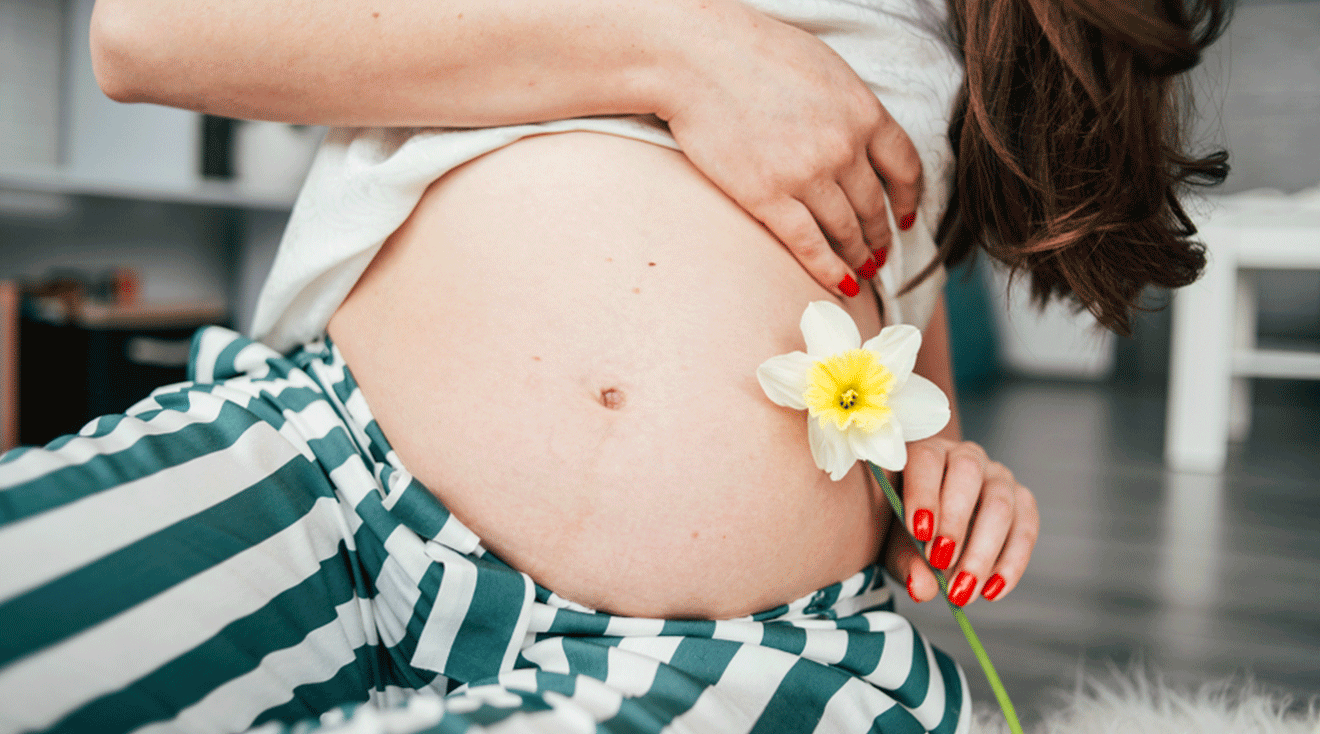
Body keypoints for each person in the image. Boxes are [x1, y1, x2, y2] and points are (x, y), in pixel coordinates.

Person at [0, 0, 1227, 732]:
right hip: (326, 473)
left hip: (754, 639)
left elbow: (883, 264)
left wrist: (941, 463)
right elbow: (150, 31)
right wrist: (675, 49)